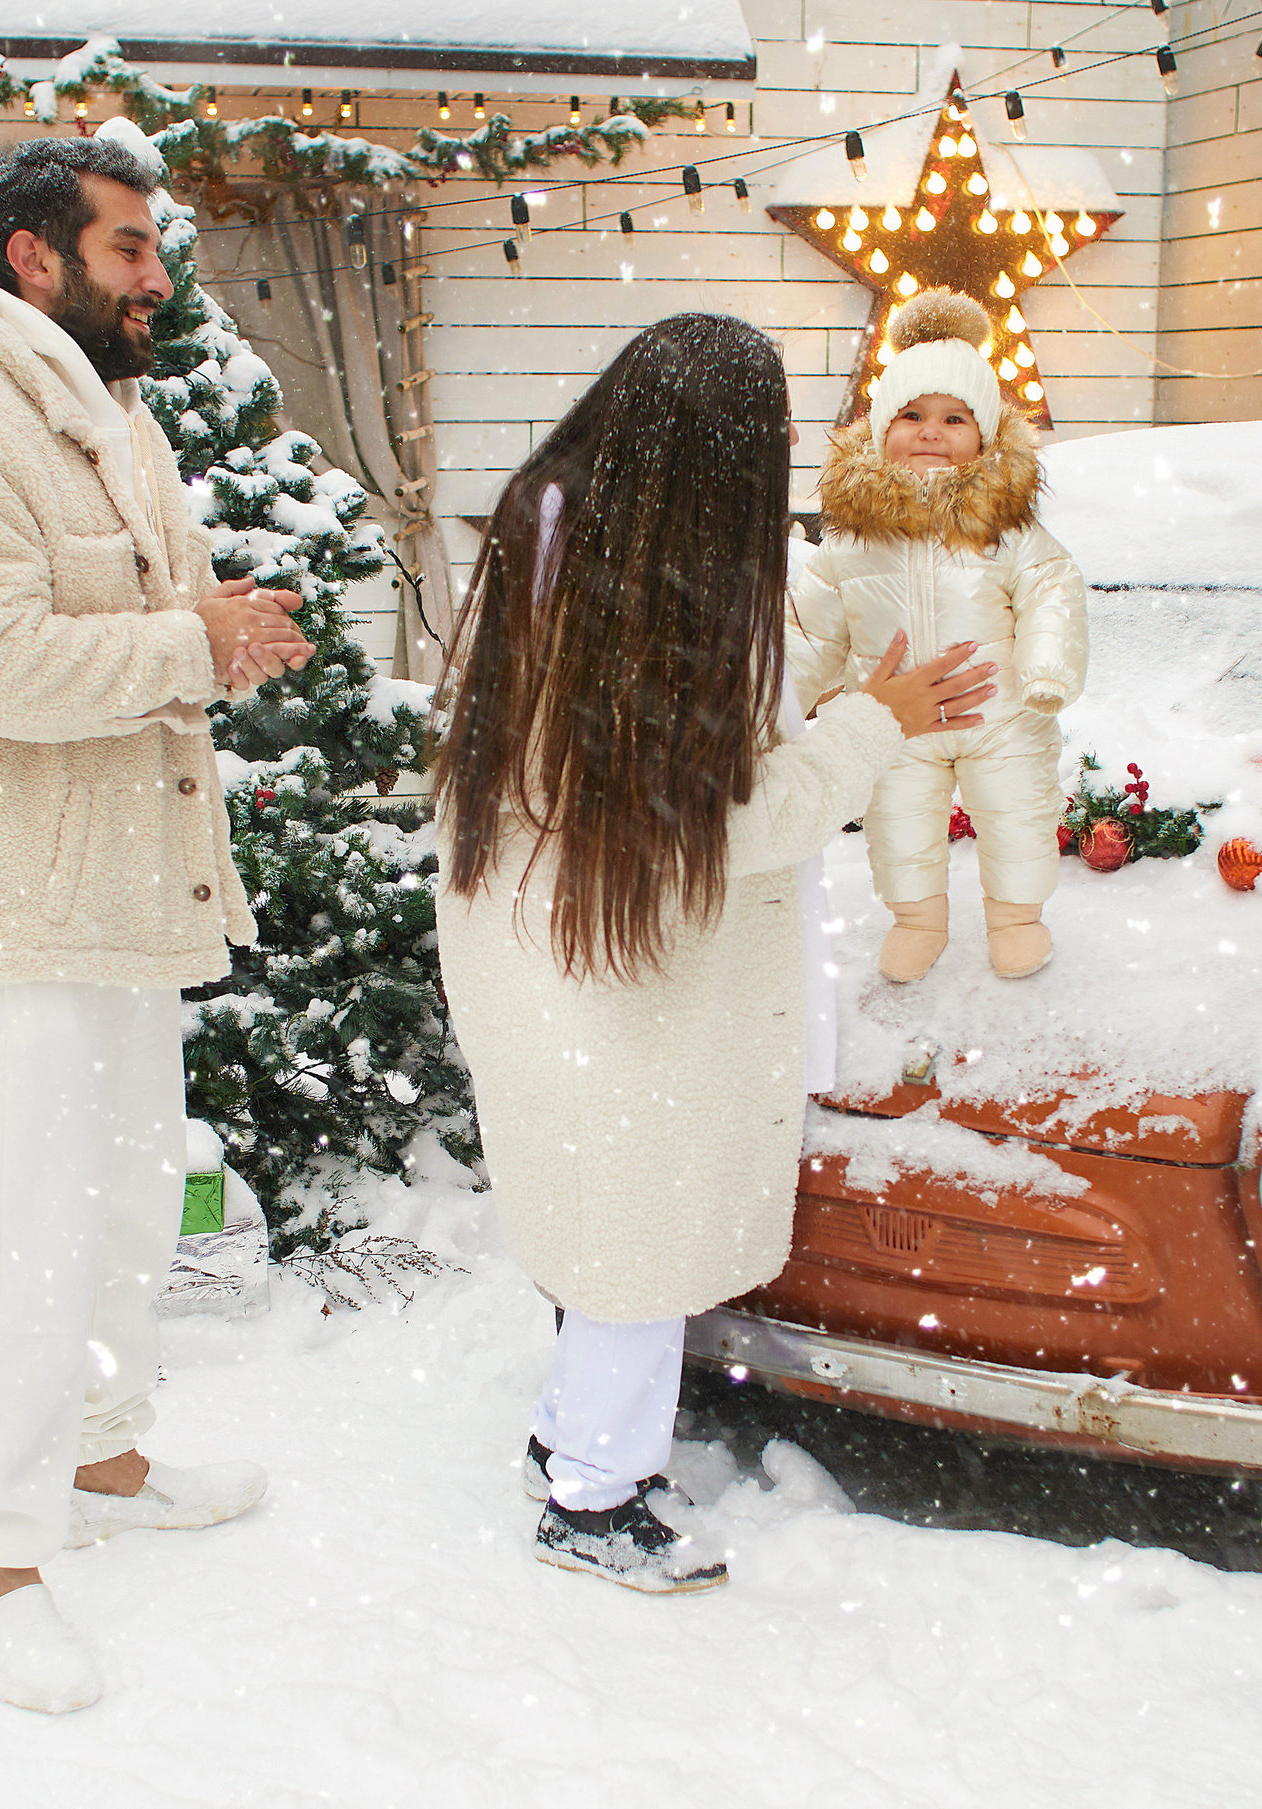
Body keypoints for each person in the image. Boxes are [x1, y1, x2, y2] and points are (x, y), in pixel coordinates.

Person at [0, 131, 316, 1714]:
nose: (158, 275)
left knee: (124, 1205)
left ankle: (106, 1464)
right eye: (129, 246)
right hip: (23, 902)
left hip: (118, 887)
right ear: (33, 257)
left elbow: (138, 624)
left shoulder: (105, 418)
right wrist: (187, 642)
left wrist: (217, 636)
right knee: (38, 1237)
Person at [431, 313, 994, 1593]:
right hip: (626, 973)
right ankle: (594, 1502)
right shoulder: (646, 589)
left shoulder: (564, 527)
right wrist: (873, 724)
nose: (787, 449)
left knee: (604, 1216)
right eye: (770, 431)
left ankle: (570, 1437)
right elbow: (719, 822)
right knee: (638, 1235)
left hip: (548, 944)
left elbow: (646, 773)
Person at [787, 289, 1089, 983]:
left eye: (954, 418)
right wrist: (781, 700)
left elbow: (1052, 588)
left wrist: (1047, 668)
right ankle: (917, 920)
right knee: (898, 825)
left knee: (1016, 815)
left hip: (1000, 716)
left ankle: (1017, 919)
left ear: (985, 435)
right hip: (897, 722)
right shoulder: (852, 539)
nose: (931, 432)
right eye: (912, 415)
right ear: (879, 429)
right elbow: (811, 629)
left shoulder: (1006, 529)